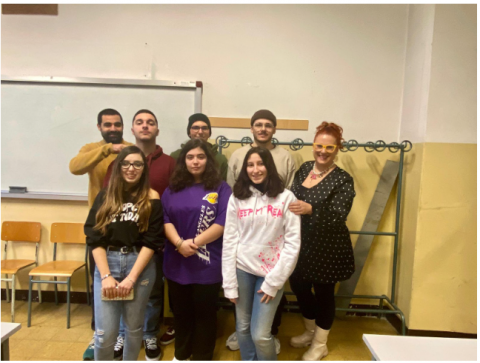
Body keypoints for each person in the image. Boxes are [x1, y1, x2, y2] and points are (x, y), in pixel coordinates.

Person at [103, 109, 175, 360]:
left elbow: (175, 201)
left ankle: (150, 334)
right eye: (140, 122)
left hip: (154, 243)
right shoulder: (116, 163)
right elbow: (107, 203)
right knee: (122, 293)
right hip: (120, 244)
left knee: (153, 293)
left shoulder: (169, 163)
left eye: (151, 123)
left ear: (157, 129)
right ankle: (123, 333)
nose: (145, 126)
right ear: (131, 129)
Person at [84, 145, 164, 361]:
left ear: (143, 169)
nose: (131, 168)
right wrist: (106, 276)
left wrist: (131, 278)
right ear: (119, 167)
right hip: (107, 265)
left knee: (134, 329)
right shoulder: (105, 196)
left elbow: (152, 240)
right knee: (104, 334)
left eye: (137, 164)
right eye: (126, 163)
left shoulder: (152, 197)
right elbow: (94, 237)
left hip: (140, 266)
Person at [226, 109, 296, 352]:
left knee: (260, 335)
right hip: (242, 270)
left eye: (261, 164)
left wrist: (274, 281)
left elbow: (292, 244)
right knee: (242, 329)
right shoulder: (237, 198)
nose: (255, 169)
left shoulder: (286, 198)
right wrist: (229, 282)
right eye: (250, 165)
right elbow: (229, 241)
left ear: (270, 166)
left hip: (270, 272)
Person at [69, 108, 133, 361]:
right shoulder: (92, 148)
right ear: (99, 127)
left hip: (127, 229)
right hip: (100, 229)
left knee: (128, 284)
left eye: (117, 124)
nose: (114, 129)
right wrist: (106, 150)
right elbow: (75, 167)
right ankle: (99, 335)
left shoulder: (130, 148)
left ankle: (123, 336)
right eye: (108, 125)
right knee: (100, 285)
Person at [288, 122, 355, 361]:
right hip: (301, 244)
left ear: (337, 148)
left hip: (328, 246)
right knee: (298, 286)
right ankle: (309, 331)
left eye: (330, 147)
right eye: (319, 145)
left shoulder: (343, 179)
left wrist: (310, 209)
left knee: (324, 293)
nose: (323, 151)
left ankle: (320, 344)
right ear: (313, 145)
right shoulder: (305, 168)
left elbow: (339, 214)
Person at [161, 139, 232, 360]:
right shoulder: (172, 188)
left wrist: (194, 243)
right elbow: (164, 219)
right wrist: (180, 244)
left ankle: (202, 356)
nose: (195, 161)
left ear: (208, 160)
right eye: (190, 157)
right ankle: (182, 355)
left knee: (205, 314)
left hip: (207, 264)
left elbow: (222, 222)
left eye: (200, 157)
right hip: (177, 260)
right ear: (183, 161)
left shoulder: (221, 188)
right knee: (181, 313)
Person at [171, 113, 228, 180]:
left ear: (209, 133)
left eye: (204, 128)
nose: (200, 132)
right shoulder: (176, 156)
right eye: (195, 128)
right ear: (189, 132)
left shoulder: (220, 159)